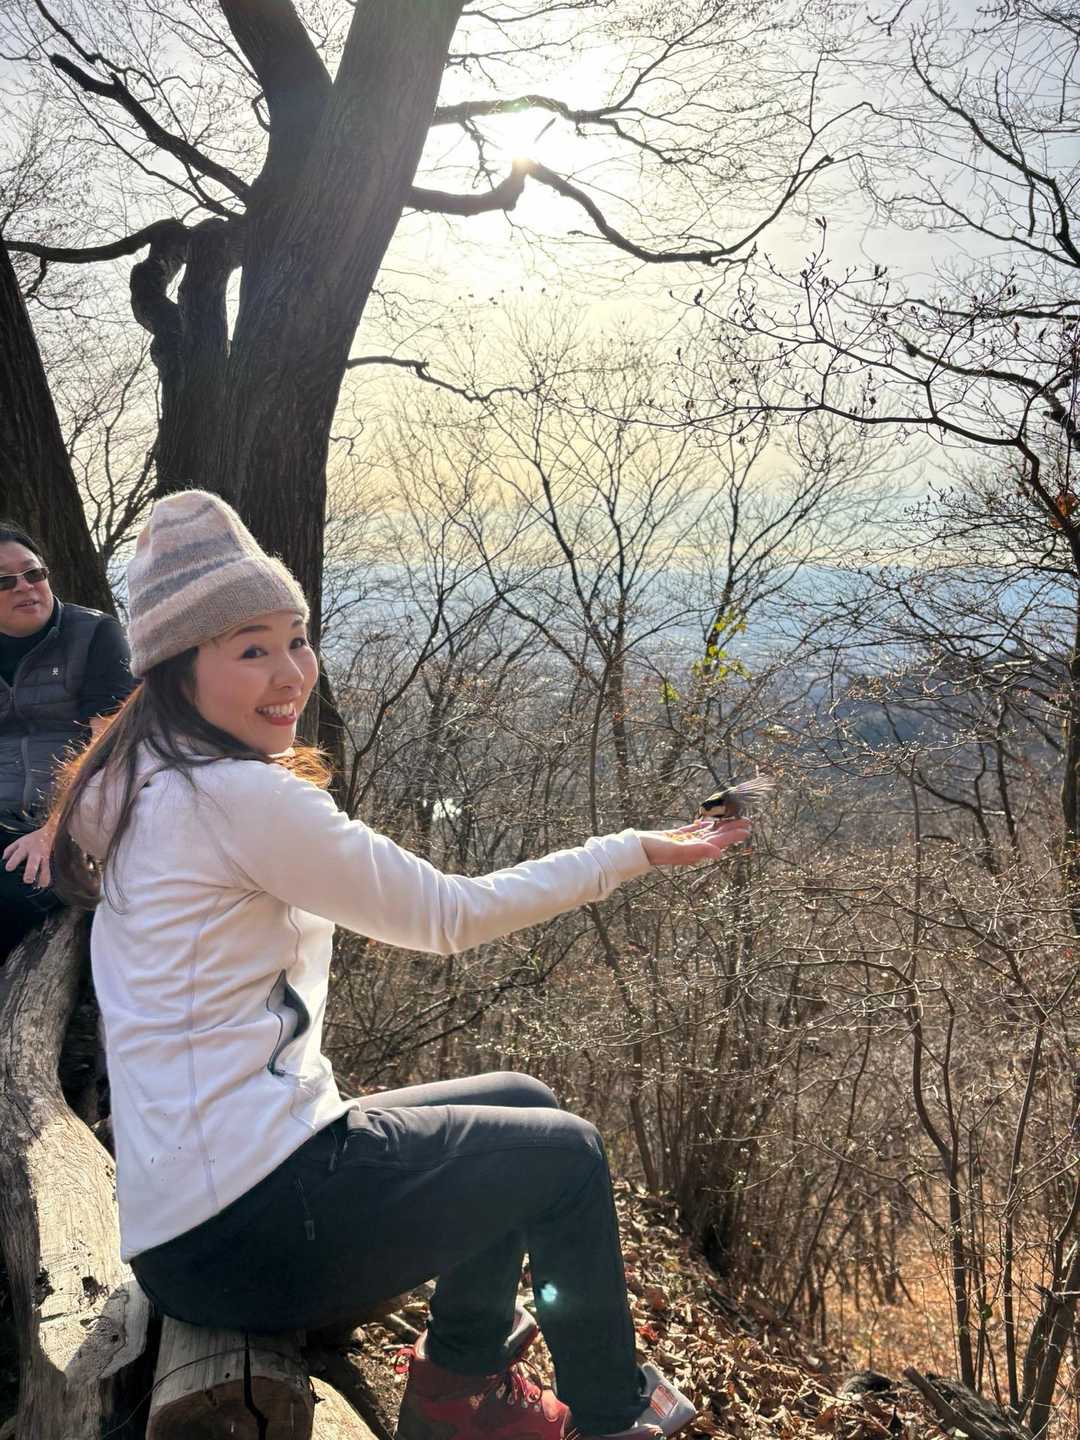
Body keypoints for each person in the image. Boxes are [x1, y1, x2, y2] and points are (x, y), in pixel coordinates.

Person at [50, 491, 751, 1440]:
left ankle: (460, 1385)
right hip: (243, 1229)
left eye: (296, 639)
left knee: (522, 1102)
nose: (290, 673)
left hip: (200, 1209)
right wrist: (628, 851)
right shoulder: (235, 798)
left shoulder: (139, 773)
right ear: (178, 668)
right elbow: (445, 917)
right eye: (250, 649)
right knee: (567, 1158)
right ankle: (614, 1417)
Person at [0, 522, 134, 958]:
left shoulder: (94, 635)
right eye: (5, 582)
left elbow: (107, 749)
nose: (25, 587)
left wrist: (54, 830)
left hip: (68, 821)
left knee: (13, 893)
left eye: (33, 573)